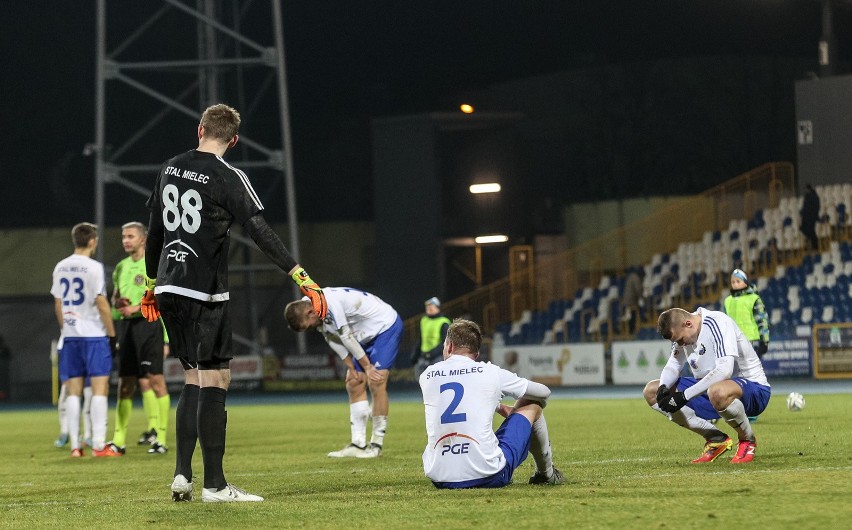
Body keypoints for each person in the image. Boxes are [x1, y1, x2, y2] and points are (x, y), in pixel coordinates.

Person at [143, 103, 327, 503]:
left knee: (191, 377)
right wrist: (302, 277)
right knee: (216, 379)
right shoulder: (228, 176)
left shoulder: (170, 166)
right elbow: (260, 231)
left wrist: (151, 283)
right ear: (234, 139)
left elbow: (155, 230)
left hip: (168, 289)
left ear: (200, 129)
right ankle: (214, 486)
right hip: (203, 291)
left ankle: (181, 476)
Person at [419, 319, 564, 488]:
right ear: (476, 354)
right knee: (532, 402)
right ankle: (546, 473)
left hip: (440, 477)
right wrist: (506, 406)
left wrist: (498, 406)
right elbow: (544, 392)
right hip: (488, 475)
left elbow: (457, 391)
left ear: (449, 346)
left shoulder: (427, 375)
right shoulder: (490, 372)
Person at [285, 287, 402, 459]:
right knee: (354, 382)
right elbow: (330, 337)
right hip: (362, 335)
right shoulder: (311, 306)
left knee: (376, 381)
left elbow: (345, 336)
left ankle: (376, 445)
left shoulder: (329, 303)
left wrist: (368, 367)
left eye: (308, 326)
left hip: (384, 327)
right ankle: (358, 444)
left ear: (310, 312)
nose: (311, 328)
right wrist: (351, 366)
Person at [643, 307, 771, 464]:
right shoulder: (685, 333)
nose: (680, 344)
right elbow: (674, 363)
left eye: (680, 340)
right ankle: (716, 439)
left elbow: (724, 370)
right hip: (712, 393)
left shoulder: (717, 322)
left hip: (753, 390)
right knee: (652, 391)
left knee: (717, 391)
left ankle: (747, 440)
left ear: (688, 324)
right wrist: (663, 387)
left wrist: (684, 396)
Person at [50, 222, 119, 457]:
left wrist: (66, 328)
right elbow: (102, 304)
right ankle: (99, 445)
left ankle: (75, 446)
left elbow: (58, 304)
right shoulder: (94, 267)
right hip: (94, 336)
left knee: (73, 392)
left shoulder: (60, 267)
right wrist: (112, 335)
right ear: (92, 241)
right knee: (99, 389)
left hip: (70, 337)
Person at [106, 221, 171, 456]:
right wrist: (118, 303)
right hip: (127, 330)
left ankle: (161, 438)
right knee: (126, 384)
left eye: (130, 236)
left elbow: (161, 300)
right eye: (124, 236)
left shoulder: (153, 265)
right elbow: (115, 298)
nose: (125, 240)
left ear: (142, 239)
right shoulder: (121, 267)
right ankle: (118, 441)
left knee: (155, 380)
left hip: (149, 325)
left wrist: (165, 339)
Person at [724, 269, 770, 359]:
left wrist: (765, 341)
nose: (735, 284)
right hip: (734, 342)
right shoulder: (727, 301)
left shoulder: (754, 299)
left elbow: (762, 320)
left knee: (751, 371)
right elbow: (724, 323)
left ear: (745, 282)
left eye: (738, 281)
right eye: (733, 282)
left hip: (752, 341)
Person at [412, 297, 451, 379]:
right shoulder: (424, 320)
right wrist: (415, 354)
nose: (428, 308)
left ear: (437, 307)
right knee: (422, 382)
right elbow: (421, 338)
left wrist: (432, 353)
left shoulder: (444, 322)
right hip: (423, 356)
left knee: (438, 383)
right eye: (427, 306)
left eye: (431, 306)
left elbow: (446, 342)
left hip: (437, 357)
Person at [800, 184, 820, 251]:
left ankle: (815, 246)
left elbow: (816, 207)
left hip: (811, 217)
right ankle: (811, 244)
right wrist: (802, 212)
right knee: (803, 229)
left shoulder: (814, 196)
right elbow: (805, 206)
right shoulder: (807, 196)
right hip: (806, 217)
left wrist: (814, 216)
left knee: (811, 232)